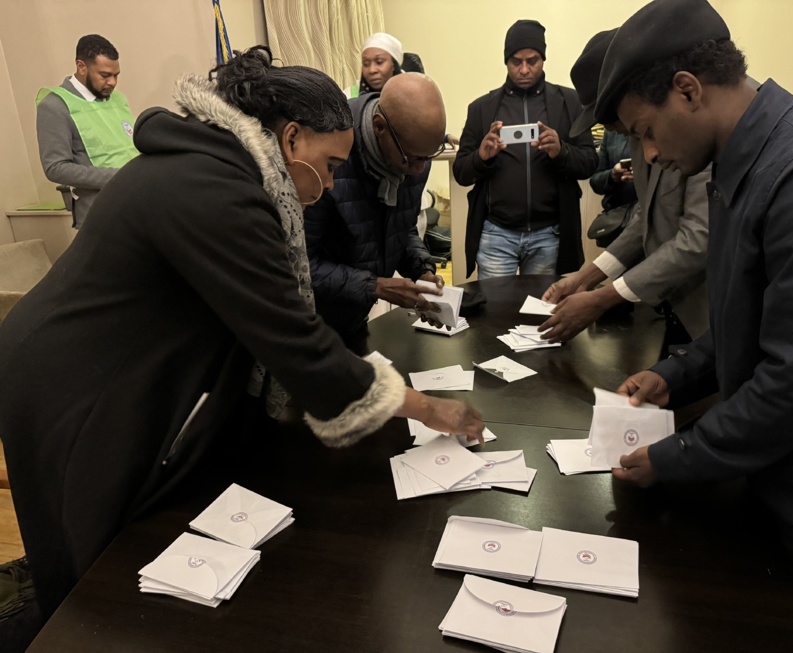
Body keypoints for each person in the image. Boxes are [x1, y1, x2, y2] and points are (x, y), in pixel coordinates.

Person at [0, 47, 483, 630]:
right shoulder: (214, 187)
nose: (330, 185)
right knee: (89, 555)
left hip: (102, 367)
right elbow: (294, 340)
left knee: (115, 534)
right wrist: (430, 409)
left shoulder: (223, 169)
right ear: (291, 139)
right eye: (329, 165)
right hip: (64, 381)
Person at [592, 1, 793, 650]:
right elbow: (751, 320)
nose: (651, 153)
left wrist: (676, 455)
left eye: (647, 129)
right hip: (778, 481)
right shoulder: (743, 167)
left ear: (688, 89)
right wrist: (674, 375)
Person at [540, 28, 709, 348]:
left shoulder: (698, 133)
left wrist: (602, 298)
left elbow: (697, 238)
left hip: (710, 318)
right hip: (679, 314)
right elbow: (648, 214)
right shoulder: (635, 132)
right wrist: (586, 277)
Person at [304, 73, 448, 349]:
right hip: (312, 324)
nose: (419, 170)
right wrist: (375, 285)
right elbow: (300, 262)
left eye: (429, 157)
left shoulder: (415, 153)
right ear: (379, 126)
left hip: (356, 317)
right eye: (414, 159)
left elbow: (401, 226)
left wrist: (422, 270)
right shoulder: (329, 159)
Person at [453, 19, 598, 279]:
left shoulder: (569, 103)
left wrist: (561, 151)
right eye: (515, 61)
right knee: (494, 317)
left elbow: (589, 163)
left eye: (532, 61)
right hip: (496, 235)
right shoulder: (482, 109)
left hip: (550, 236)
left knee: (540, 315)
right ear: (505, 61)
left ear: (543, 58)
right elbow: (462, 173)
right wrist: (481, 157)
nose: (523, 70)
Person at [35, 34, 138, 228]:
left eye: (116, 75)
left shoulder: (118, 99)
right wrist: (120, 176)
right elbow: (55, 168)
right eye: (105, 75)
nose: (113, 82)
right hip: (101, 216)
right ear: (81, 67)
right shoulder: (55, 106)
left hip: (136, 203)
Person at [588, 127, 636, 213]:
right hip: (617, 214)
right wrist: (612, 175)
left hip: (650, 214)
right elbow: (595, 182)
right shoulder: (612, 131)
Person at [346, 32, 403, 98]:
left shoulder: (412, 92)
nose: (372, 70)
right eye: (366, 64)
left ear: (394, 64)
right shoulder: (348, 96)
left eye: (379, 62)